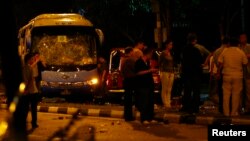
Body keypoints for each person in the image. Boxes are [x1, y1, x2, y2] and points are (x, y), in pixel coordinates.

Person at [217, 37, 248, 116]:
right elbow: (245, 63)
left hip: (226, 75)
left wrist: (218, 73)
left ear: (229, 44)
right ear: (238, 44)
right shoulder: (241, 52)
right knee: (236, 96)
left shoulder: (225, 51)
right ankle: (233, 114)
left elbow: (220, 63)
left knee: (226, 95)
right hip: (238, 76)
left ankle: (226, 113)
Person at [180, 34, 203, 114]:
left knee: (187, 91)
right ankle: (195, 107)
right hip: (195, 73)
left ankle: (186, 106)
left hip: (186, 73)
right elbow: (200, 61)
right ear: (194, 40)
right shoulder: (196, 50)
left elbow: (182, 61)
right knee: (196, 91)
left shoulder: (184, 49)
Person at [134, 47, 158, 124]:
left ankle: (150, 118)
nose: (151, 56)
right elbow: (138, 73)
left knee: (150, 101)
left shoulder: (147, 62)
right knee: (144, 102)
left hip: (149, 84)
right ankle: (143, 118)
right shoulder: (139, 62)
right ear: (148, 53)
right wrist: (149, 70)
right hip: (142, 85)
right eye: (151, 54)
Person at [22, 53, 41, 129]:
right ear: (28, 59)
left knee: (30, 108)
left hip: (32, 91)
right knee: (28, 108)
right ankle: (31, 123)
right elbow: (26, 80)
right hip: (30, 92)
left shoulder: (28, 67)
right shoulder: (26, 68)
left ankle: (32, 123)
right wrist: (25, 90)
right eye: (32, 58)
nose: (33, 60)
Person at [212, 36, 230, 113]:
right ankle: (227, 108)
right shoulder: (228, 51)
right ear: (228, 43)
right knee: (227, 92)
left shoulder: (217, 51)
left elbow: (215, 61)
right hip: (226, 72)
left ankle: (221, 108)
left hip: (219, 73)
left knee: (220, 91)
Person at [120, 47, 137, 121]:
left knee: (127, 99)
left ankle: (127, 115)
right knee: (129, 99)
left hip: (126, 80)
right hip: (131, 80)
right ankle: (129, 116)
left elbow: (121, 71)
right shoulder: (130, 59)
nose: (133, 53)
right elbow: (136, 69)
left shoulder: (122, 59)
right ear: (130, 52)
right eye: (132, 52)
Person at [159, 40, 175, 108]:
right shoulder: (163, 53)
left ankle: (168, 102)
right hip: (165, 72)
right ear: (166, 45)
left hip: (171, 72)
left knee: (169, 88)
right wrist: (161, 71)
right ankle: (165, 103)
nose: (171, 46)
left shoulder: (171, 53)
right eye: (170, 44)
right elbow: (160, 62)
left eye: (171, 44)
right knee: (164, 88)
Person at [239, 33, 250, 115]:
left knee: (248, 91)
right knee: (240, 91)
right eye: (241, 37)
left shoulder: (249, 46)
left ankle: (247, 108)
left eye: (243, 37)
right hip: (239, 72)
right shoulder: (238, 47)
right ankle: (240, 108)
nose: (242, 39)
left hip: (248, 72)